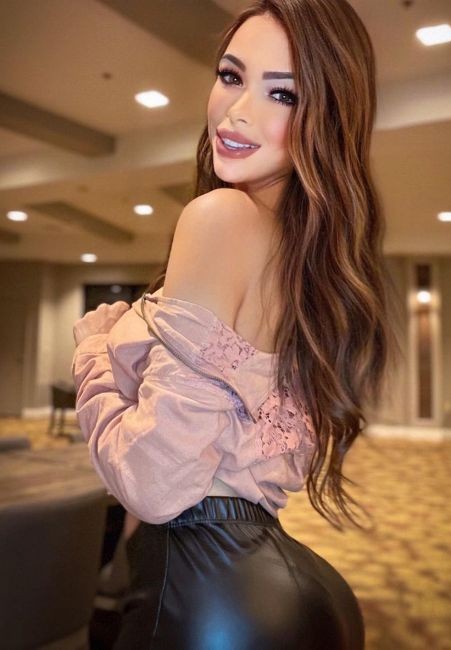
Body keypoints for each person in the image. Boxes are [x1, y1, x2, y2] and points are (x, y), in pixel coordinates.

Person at [72, 1, 398, 648]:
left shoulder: (219, 218)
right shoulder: (308, 263)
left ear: (327, 115)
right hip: (278, 586)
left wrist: (92, 353)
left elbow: (153, 484)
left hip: (203, 592)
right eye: (230, 76)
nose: (237, 111)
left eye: (282, 93)